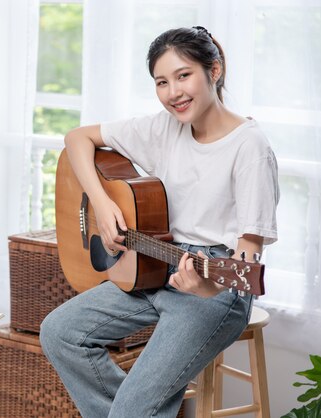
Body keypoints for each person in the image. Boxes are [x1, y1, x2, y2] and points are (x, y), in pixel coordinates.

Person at [40, 26, 279, 418]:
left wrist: (205, 285)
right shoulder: (163, 127)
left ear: (213, 71)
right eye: (161, 82)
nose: (173, 93)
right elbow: (76, 138)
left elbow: (247, 259)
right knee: (61, 333)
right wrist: (101, 203)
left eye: (183, 76)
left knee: (132, 412)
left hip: (215, 285)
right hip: (153, 268)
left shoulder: (249, 147)